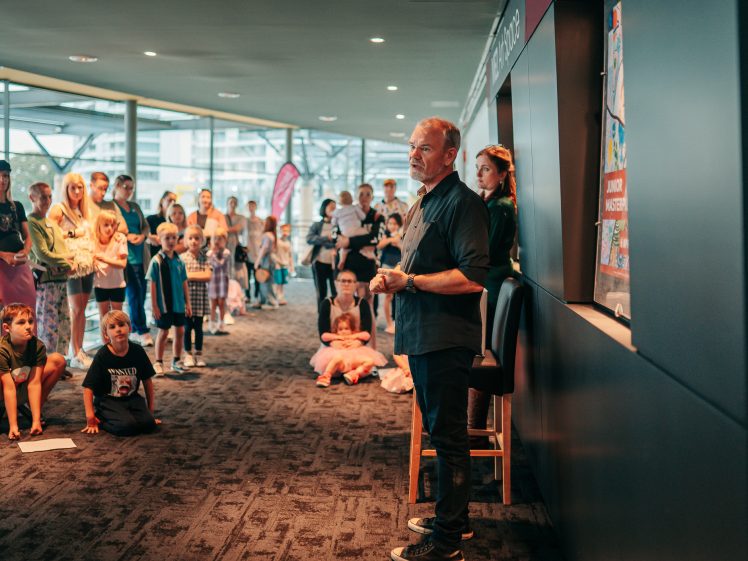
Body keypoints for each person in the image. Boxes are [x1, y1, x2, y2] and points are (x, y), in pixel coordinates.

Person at [371, 117, 489, 561]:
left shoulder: (463, 204)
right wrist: (394, 281)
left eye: (424, 148)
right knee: (445, 434)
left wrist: (411, 282)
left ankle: (444, 544)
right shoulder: (424, 200)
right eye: (411, 146)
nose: (413, 154)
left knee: (449, 439)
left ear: (449, 154)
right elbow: (414, 268)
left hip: (445, 338)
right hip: (422, 334)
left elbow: (472, 278)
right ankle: (453, 522)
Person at [469, 145, 518, 439]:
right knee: (478, 348)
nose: (479, 173)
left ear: (501, 174)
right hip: (488, 282)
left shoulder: (501, 206)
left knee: (481, 350)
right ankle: (473, 425)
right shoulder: (488, 202)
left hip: (493, 285)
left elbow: (482, 251)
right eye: (478, 167)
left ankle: (474, 427)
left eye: (485, 168)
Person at [80, 310, 159, 436]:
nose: (118, 329)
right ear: (106, 334)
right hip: (108, 400)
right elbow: (88, 388)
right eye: (112, 327)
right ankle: (101, 418)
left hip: (132, 398)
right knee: (127, 427)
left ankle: (131, 416)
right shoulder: (102, 355)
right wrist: (90, 418)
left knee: (149, 424)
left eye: (121, 325)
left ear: (130, 328)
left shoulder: (138, 351)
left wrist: (150, 411)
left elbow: (147, 381)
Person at [49, 172, 96, 369]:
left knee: (82, 310)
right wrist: (73, 233)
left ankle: (79, 349)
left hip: (87, 264)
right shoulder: (59, 209)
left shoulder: (85, 211)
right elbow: (50, 231)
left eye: (80, 187)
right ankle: (74, 352)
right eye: (72, 187)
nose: (77, 191)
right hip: (71, 266)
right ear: (66, 189)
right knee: (75, 309)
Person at [0, 303, 65, 439]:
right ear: (7, 328)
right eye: (21, 323)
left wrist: (35, 421)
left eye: (30, 321)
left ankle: (34, 409)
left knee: (58, 360)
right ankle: (8, 411)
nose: (28, 326)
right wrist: (13, 426)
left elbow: (34, 384)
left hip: (23, 386)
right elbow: (9, 388)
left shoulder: (38, 346)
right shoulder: (2, 350)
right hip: (5, 391)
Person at [27, 182, 74, 356]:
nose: (47, 200)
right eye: (43, 197)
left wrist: (67, 261)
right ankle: (46, 363)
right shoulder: (31, 222)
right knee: (48, 324)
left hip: (60, 280)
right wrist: (68, 262)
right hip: (46, 282)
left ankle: (59, 362)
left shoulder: (50, 223)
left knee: (63, 324)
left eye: (49, 196)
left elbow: (62, 250)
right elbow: (43, 254)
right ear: (32, 198)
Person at [335, 183, 384, 349]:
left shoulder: (377, 217)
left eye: (368, 194)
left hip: (367, 267)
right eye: (361, 194)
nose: (364, 198)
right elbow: (336, 235)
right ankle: (346, 347)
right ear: (356, 196)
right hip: (346, 265)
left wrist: (349, 241)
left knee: (366, 307)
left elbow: (375, 239)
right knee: (345, 306)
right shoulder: (346, 212)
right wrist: (355, 242)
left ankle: (371, 349)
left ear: (372, 196)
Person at [113, 175, 152, 347]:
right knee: (134, 293)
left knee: (142, 293)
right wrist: (127, 236)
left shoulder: (134, 207)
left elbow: (145, 225)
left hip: (140, 255)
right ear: (117, 186)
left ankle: (136, 328)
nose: (128, 191)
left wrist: (142, 236)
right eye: (125, 187)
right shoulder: (111, 207)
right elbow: (109, 228)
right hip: (125, 256)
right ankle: (141, 330)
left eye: (131, 188)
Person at [147, 222, 191, 375]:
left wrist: (188, 303)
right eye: (167, 238)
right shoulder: (156, 261)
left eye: (174, 238)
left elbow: (184, 282)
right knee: (163, 332)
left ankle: (176, 360)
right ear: (159, 240)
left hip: (178, 305)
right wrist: (154, 306)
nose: (171, 241)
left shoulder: (180, 261)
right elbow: (152, 284)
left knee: (180, 331)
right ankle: (158, 362)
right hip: (163, 305)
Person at [316, 269, 373, 380]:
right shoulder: (326, 304)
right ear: (336, 283)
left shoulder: (363, 304)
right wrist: (333, 343)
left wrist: (358, 342)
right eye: (343, 281)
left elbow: (367, 331)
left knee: (368, 364)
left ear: (355, 284)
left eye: (350, 281)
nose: (346, 284)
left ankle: (352, 373)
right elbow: (322, 332)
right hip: (333, 346)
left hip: (356, 345)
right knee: (333, 367)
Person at [310, 312, 387, 387]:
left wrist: (353, 336)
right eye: (340, 329)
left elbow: (366, 335)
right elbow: (324, 336)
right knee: (337, 358)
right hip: (340, 362)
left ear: (352, 329)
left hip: (354, 360)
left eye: (346, 328)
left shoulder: (354, 335)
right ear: (336, 330)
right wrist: (337, 337)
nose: (343, 331)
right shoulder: (336, 336)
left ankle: (354, 374)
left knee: (370, 361)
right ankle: (326, 376)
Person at [0, 161, 36, 319]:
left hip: (21, 266)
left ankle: (27, 343)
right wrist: (4, 256)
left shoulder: (17, 206)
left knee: (27, 310)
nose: (3, 179)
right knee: (6, 315)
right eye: (0, 176)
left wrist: (25, 251)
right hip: (2, 267)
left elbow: (28, 237)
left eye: (6, 176)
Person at [180, 225, 211, 367]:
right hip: (186, 300)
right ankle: (188, 354)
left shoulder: (206, 257)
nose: (193, 241)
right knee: (187, 328)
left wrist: (190, 276)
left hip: (200, 300)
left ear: (202, 240)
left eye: (197, 238)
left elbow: (208, 276)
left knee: (198, 328)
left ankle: (198, 353)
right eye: (190, 238)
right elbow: (183, 277)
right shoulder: (182, 258)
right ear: (186, 240)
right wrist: (198, 275)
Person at [92, 210, 128, 326]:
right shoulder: (93, 240)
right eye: (106, 225)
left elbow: (122, 264)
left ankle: (118, 344)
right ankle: (106, 344)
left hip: (117, 284)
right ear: (99, 225)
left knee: (118, 318)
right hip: (100, 285)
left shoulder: (120, 238)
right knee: (104, 318)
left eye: (112, 225)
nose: (109, 228)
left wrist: (104, 259)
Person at [306, 198, 337, 303]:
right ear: (324, 208)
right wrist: (326, 239)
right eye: (331, 207)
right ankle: (322, 317)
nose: (333, 209)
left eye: (335, 207)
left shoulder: (339, 224)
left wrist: (326, 242)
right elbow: (309, 239)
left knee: (336, 292)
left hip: (335, 263)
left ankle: (335, 317)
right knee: (321, 293)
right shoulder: (317, 225)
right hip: (319, 262)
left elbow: (339, 241)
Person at [376, 213, 403, 334]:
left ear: (399, 225)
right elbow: (379, 245)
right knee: (388, 296)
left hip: (399, 267)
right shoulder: (385, 235)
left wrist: (398, 243)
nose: (392, 226)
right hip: (386, 266)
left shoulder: (402, 236)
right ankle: (388, 323)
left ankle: (398, 322)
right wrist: (391, 239)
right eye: (390, 223)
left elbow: (406, 251)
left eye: (395, 224)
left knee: (399, 296)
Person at [331, 190, 369, 269]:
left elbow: (334, 223)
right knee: (366, 233)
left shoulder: (337, 211)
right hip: (357, 230)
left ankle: (342, 259)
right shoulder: (354, 208)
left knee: (344, 247)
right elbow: (363, 217)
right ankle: (366, 251)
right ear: (351, 198)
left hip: (345, 233)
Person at [253, 215, 279, 309]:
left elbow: (263, 250)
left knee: (266, 281)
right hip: (270, 259)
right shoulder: (272, 235)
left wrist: (257, 262)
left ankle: (271, 302)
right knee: (268, 280)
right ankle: (265, 300)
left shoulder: (267, 235)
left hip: (267, 260)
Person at [207, 227, 231, 334]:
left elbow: (219, 264)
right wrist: (212, 253)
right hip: (212, 280)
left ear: (225, 240)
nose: (217, 241)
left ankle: (221, 323)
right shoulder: (209, 253)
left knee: (221, 303)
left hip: (222, 281)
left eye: (220, 239)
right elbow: (209, 265)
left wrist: (214, 254)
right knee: (212, 303)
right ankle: (211, 324)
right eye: (216, 238)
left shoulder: (226, 252)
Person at [224, 196, 249, 292]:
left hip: (236, 245)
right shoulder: (223, 217)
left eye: (234, 202)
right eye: (231, 202)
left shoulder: (241, 218)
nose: (232, 204)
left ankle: (237, 291)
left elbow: (238, 228)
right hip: (225, 245)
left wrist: (226, 229)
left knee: (238, 269)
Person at [146, 191, 177, 258]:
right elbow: (144, 235)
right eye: (170, 200)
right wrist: (150, 237)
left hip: (171, 258)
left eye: (174, 201)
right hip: (154, 257)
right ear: (162, 201)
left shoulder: (175, 222)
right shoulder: (151, 219)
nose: (172, 203)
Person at [245, 200, 264, 304]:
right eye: (249, 206)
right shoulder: (245, 221)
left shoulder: (261, 221)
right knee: (247, 276)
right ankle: (247, 295)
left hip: (258, 254)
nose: (251, 208)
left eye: (253, 205)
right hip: (248, 254)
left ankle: (257, 296)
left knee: (257, 277)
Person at [274, 223, 294, 305]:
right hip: (277, 264)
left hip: (285, 265)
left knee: (282, 283)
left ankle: (281, 297)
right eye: (283, 230)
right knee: (277, 282)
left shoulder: (288, 243)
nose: (285, 232)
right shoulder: (277, 241)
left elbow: (290, 256)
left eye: (287, 230)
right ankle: (276, 297)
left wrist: (291, 266)